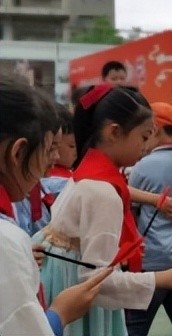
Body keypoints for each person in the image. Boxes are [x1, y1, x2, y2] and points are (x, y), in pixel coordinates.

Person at [38, 84, 172, 336]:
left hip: (60, 285)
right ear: (114, 132)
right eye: (144, 137)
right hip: (78, 301)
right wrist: (162, 279)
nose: (146, 147)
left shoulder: (85, 173)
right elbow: (95, 283)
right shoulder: (103, 192)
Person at [0, 79, 116, 336]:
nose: (50, 164)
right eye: (48, 150)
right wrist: (61, 312)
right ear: (18, 153)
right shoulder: (7, 242)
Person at [125, 103, 172, 336]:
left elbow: (131, 210)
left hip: (151, 259)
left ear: (156, 129)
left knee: (135, 325)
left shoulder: (142, 166)